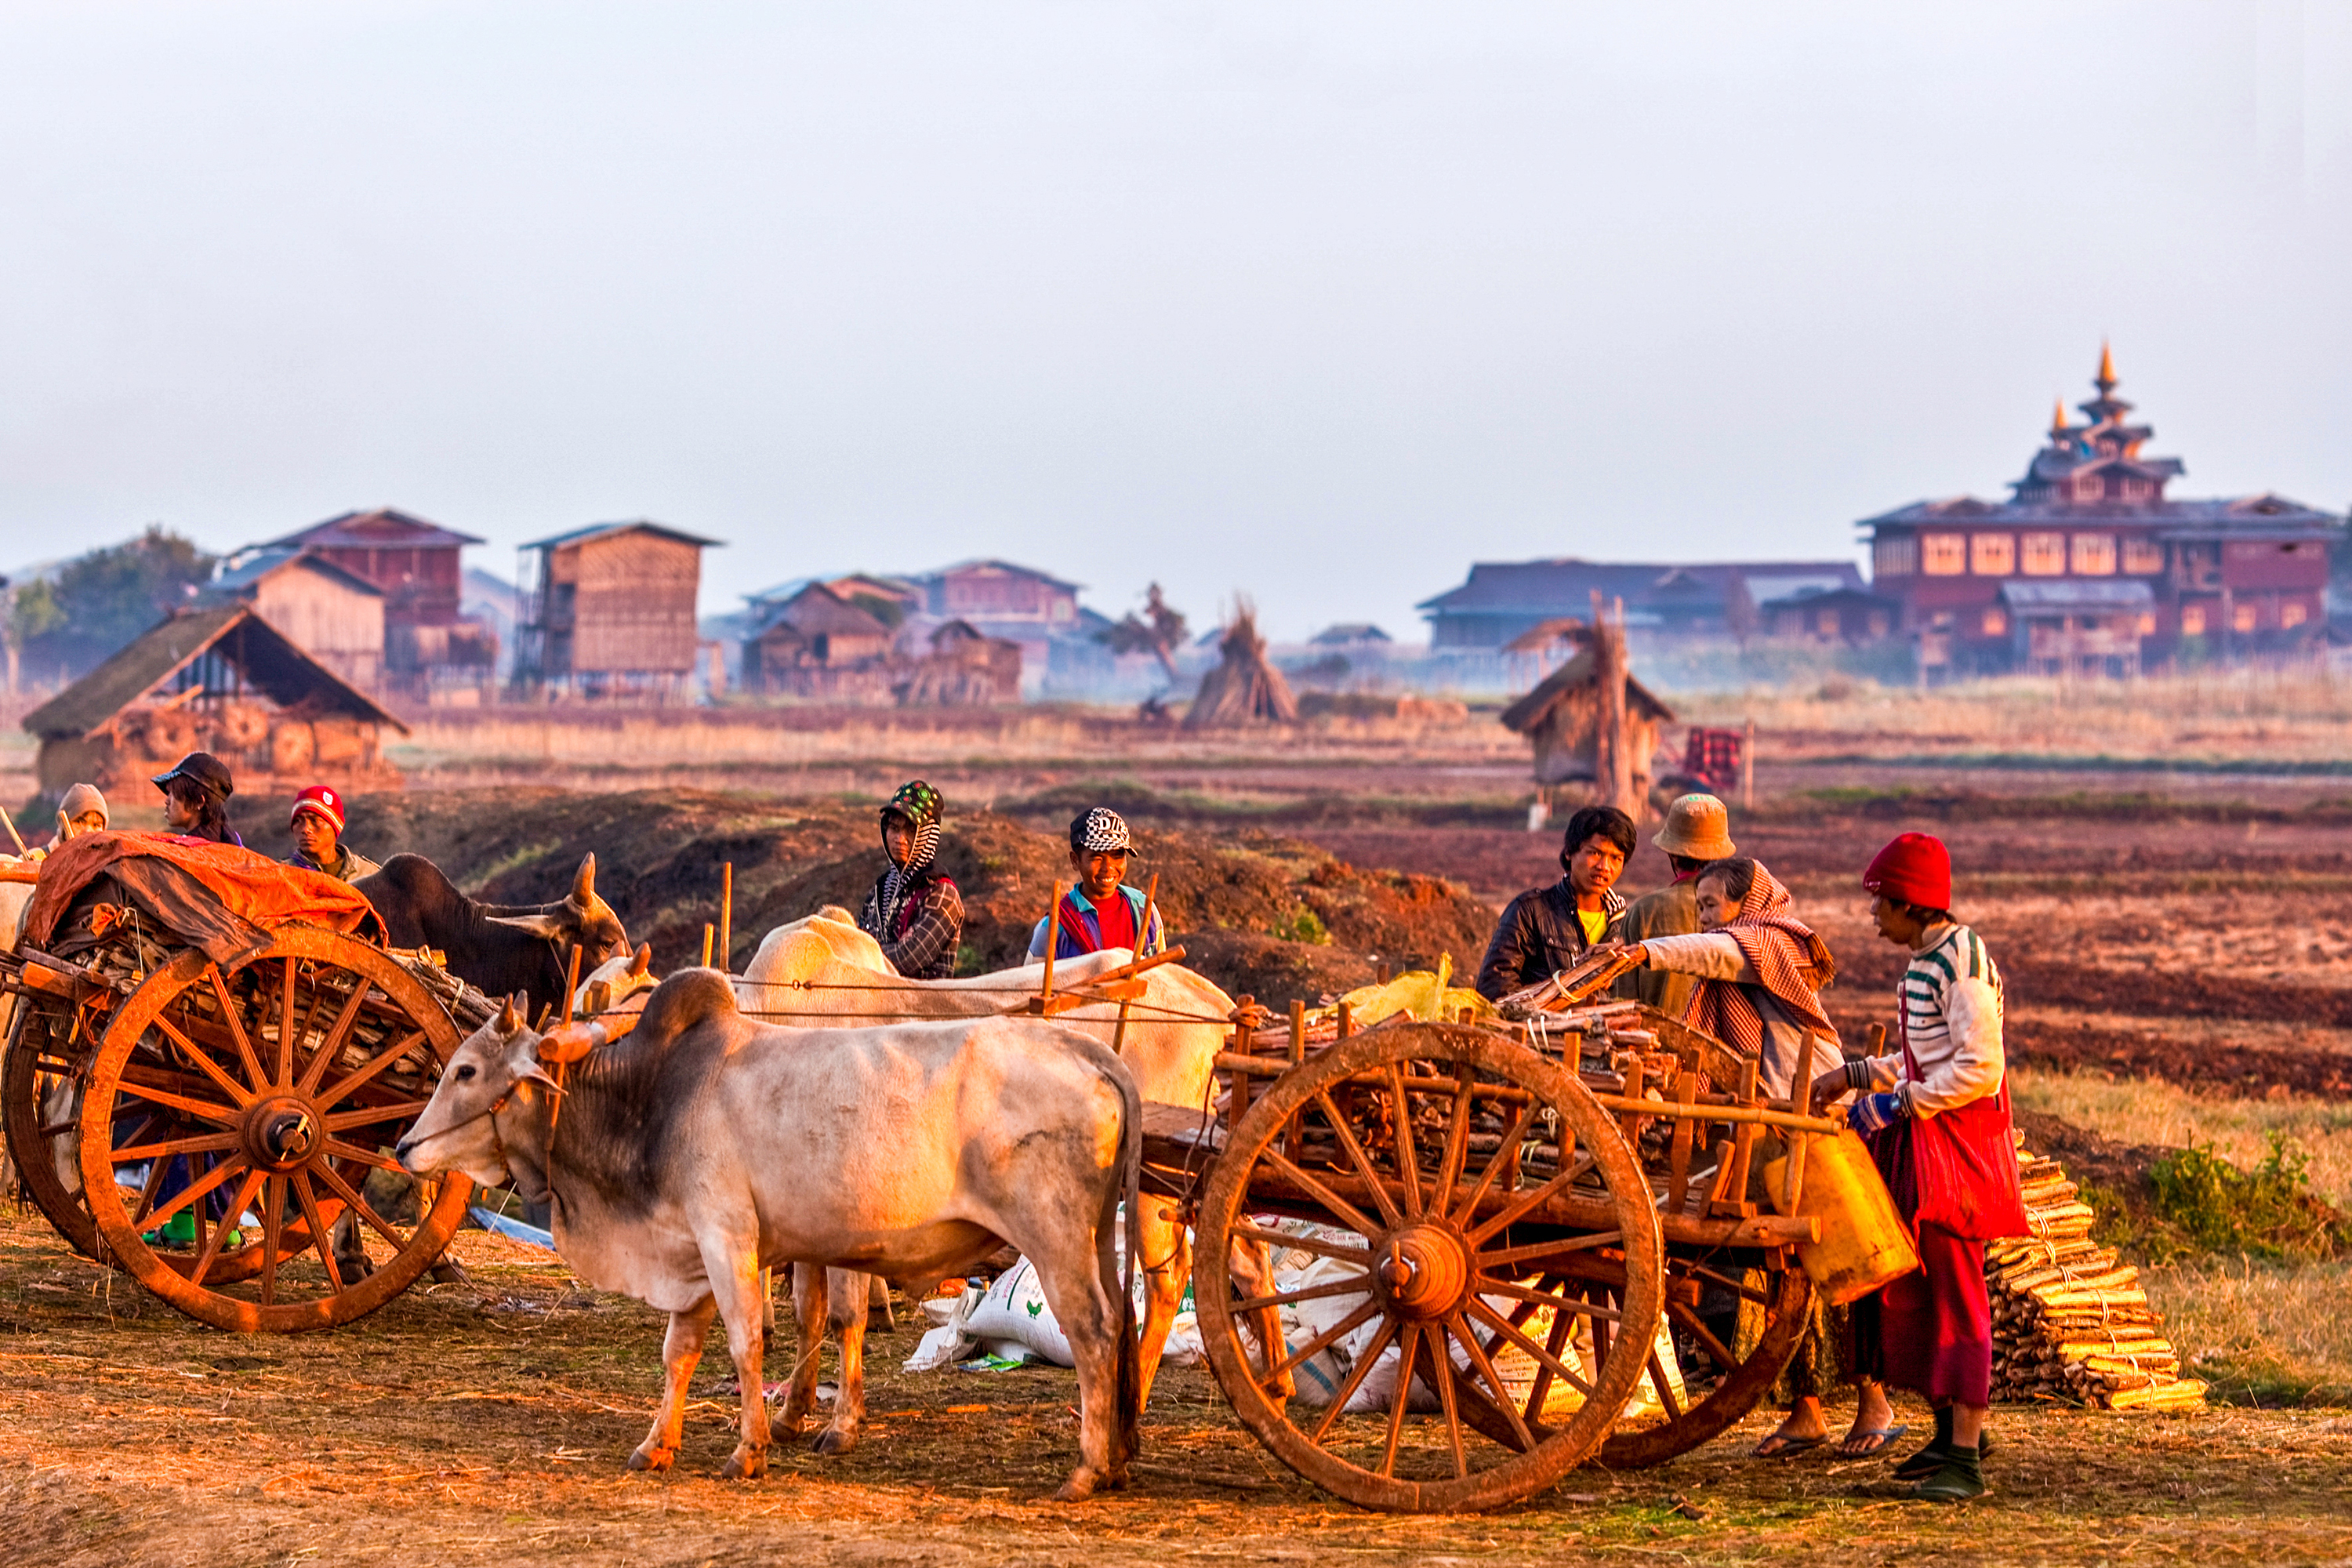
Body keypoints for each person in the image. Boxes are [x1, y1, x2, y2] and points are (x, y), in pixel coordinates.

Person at [1623, 856, 1883, 1457]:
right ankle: (1806, 1414)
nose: (1707, 916)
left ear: (1748, 903)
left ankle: (1875, 1404)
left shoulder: (1770, 944)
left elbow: (1718, 952)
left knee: (1836, 1270)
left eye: (1713, 905)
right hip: (1774, 1118)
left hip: (1811, 1120)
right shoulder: (1742, 951)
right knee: (1787, 1279)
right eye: (1703, 907)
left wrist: (1645, 953)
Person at [1809, 831, 2015, 1503]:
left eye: (1880, 905)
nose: (1873, 917)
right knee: (1924, 1292)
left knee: (1959, 1293)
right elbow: (1927, 1058)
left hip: (1955, 1147)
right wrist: (1858, 1076)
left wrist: (1894, 1105)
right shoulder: (1930, 959)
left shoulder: (1964, 964)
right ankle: (1949, 1435)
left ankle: (1966, 1459)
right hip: (1927, 1139)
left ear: (1910, 905)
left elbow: (1980, 1070)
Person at [1474, 805, 1634, 1001]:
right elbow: (1495, 984)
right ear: (1569, 852)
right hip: (1541, 1029)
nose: (1604, 867)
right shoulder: (1530, 911)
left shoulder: (1625, 924)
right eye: (1595, 853)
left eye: (1616, 858)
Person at [1614, 793, 1737, 1018]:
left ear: (1671, 853)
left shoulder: (1644, 910)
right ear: (1721, 855)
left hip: (1655, 1047)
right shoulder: (1741, 910)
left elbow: (1623, 1001)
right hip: (1723, 1049)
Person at [855, 780, 964, 980]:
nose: (900, 839)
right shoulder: (878, 892)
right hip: (874, 1003)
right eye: (894, 828)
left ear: (927, 835)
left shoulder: (941, 894)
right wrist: (861, 950)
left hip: (925, 1006)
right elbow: (854, 944)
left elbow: (909, 959)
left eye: (911, 830)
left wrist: (861, 951)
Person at [1029, 807, 1167, 961]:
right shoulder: (1054, 928)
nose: (1108, 868)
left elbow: (1160, 975)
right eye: (1097, 858)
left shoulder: (1144, 910)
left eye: (1117, 856)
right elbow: (1032, 982)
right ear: (1075, 860)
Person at [285, 785, 381, 884]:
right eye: (298, 821)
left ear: (335, 825)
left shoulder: (369, 875)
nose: (306, 829)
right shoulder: (281, 876)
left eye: (315, 820)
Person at [153, 753, 242, 847]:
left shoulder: (188, 851)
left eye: (174, 793)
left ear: (198, 802)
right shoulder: (232, 841)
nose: (167, 801)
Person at [29, 782, 109, 859]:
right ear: (64, 824)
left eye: (96, 825)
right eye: (80, 822)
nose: (88, 831)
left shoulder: (107, 866)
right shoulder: (37, 859)